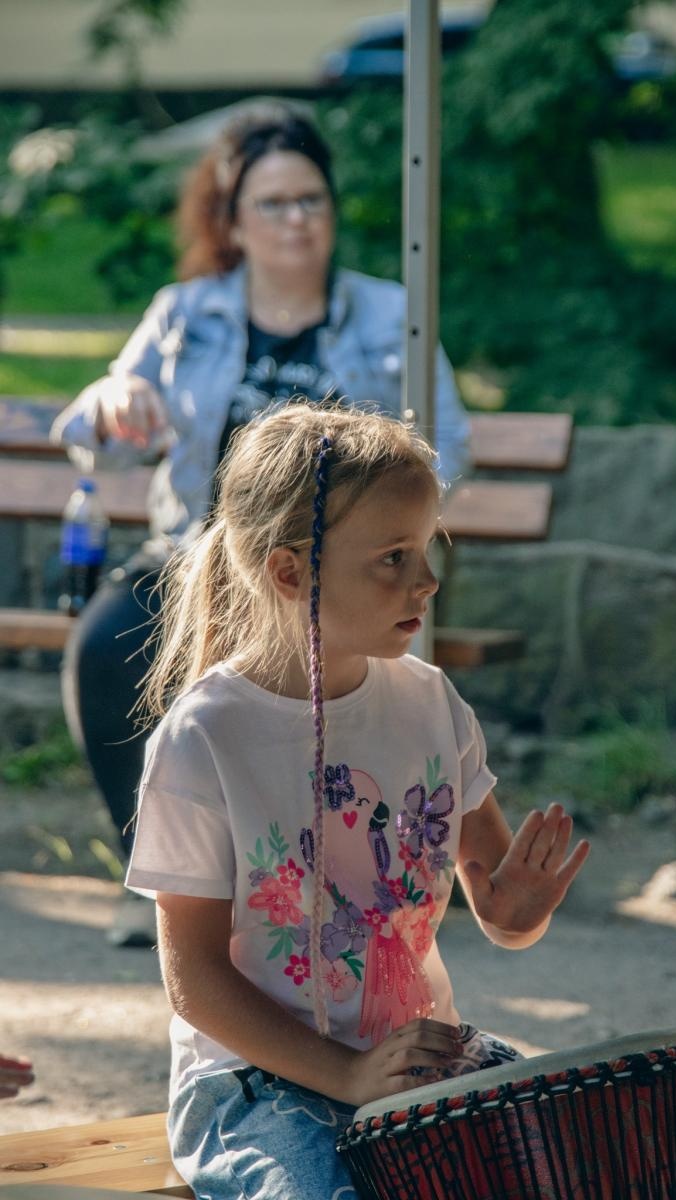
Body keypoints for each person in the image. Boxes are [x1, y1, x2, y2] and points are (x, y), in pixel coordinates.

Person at [125, 401, 589, 1200]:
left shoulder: (431, 704)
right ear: (288, 570)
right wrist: (347, 1075)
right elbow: (193, 980)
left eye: (427, 548)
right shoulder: (204, 738)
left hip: (417, 1062)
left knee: (583, 1157)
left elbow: (500, 913)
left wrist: (518, 910)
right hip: (254, 1086)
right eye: (393, 557)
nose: (427, 580)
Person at [50, 103, 470, 947]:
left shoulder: (387, 316)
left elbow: (447, 445)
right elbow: (92, 440)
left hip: (334, 567)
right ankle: (172, 883)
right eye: (273, 203)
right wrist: (110, 403)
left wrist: (379, 527)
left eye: (311, 199)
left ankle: (357, 879)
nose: (296, 219)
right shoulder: (184, 313)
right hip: (197, 560)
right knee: (104, 648)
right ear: (233, 219)